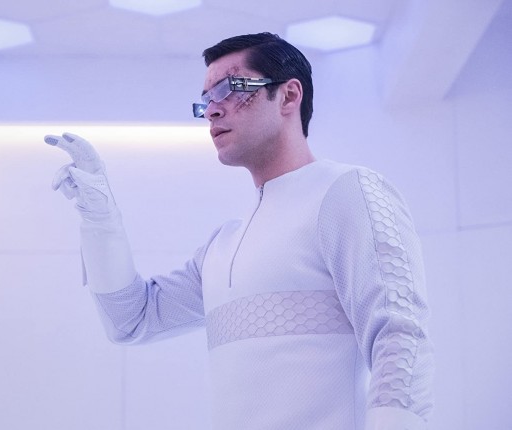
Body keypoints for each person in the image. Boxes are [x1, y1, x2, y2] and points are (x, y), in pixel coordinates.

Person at [45, 32, 434, 430]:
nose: (212, 110)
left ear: (288, 96)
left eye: (229, 88)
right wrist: (100, 218)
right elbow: (131, 320)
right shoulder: (222, 247)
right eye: (206, 100)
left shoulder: (345, 192)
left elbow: (400, 335)